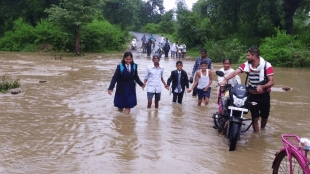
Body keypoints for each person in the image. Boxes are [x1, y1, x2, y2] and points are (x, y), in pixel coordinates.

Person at [219, 46, 274, 132]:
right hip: (252, 94)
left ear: (254, 55)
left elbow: (271, 82)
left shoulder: (267, 66)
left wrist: (262, 86)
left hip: (264, 95)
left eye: (248, 55)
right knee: (255, 118)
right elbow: (235, 72)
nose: (246, 57)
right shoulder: (246, 65)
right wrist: (225, 80)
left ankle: (262, 130)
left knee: (264, 116)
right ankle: (257, 134)